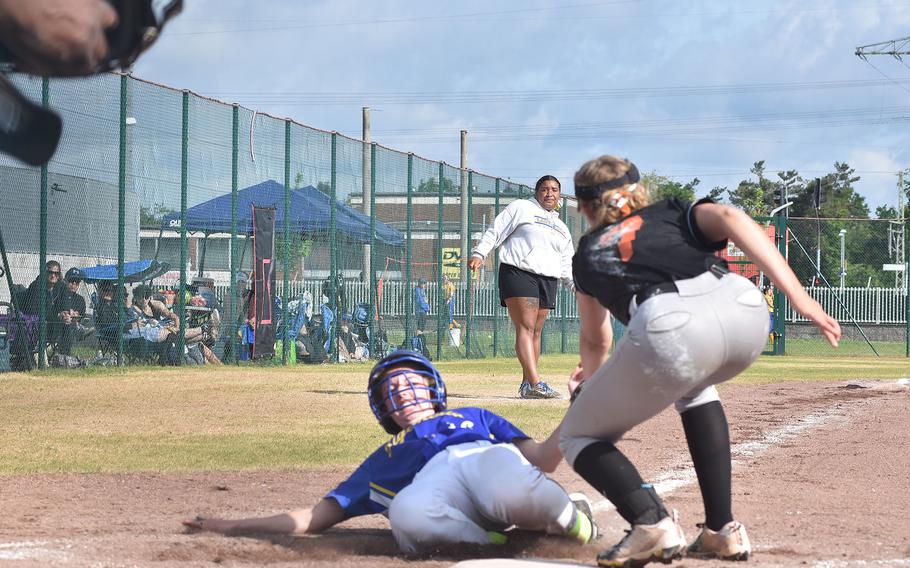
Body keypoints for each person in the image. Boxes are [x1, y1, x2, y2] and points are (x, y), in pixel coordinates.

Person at [557, 155, 841, 567]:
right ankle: (721, 531)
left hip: (670, 323)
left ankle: (650, 521)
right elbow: (729, 215)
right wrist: (799, 297)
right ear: (640, 191)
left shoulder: (587, 254)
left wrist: (588, 394)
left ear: (584, 206)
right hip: (744, 308)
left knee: (577, 436)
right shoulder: (670, 210)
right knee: (696, 385)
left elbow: (595, 340)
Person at [183, 349, 599, 553]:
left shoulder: (474, 416)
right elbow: (315, 517)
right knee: (405, 513)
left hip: (482, 458)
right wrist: (232, 525)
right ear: (385, 409)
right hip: (435, 487)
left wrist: (577, 406)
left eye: (411, 381)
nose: (403, 390)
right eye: (392, 390)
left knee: (501, 475)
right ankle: (493, 547)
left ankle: (570, 518)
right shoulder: (384, 457)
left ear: (434, 389)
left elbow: (544, 459)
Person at [468, 175, 574, 399]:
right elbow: (496, 229)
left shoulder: (562, 227)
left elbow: (568, 261)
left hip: (548, 278)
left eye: (554, 190)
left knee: (536, 331)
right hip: (518, 272)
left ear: (559, 196)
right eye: (545, 189)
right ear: (537, 192)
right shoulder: (522, 208)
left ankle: (527, 385)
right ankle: (536, 383)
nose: (549, 193)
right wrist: (479, 253)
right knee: (525, 328)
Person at [52, 267, 89, 355]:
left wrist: (75, 314)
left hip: (73, 324)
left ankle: (79, 330)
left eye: (77, 282)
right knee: (67, 322)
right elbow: (54, 310)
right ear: (65, 281)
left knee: (71, 322)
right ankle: (80, 332)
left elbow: (80, 315)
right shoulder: (58, 294)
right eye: (71, 281)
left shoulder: (80, 299)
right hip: (57, 325)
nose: (74, 284)